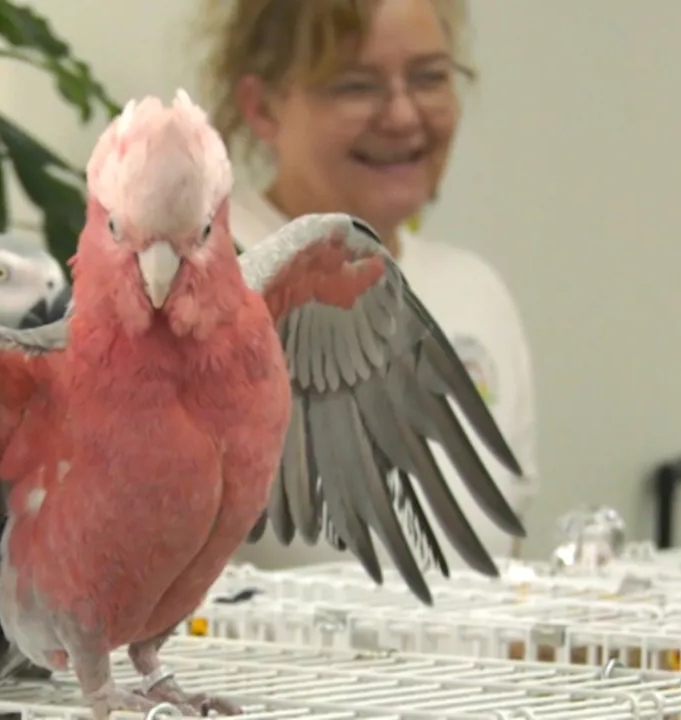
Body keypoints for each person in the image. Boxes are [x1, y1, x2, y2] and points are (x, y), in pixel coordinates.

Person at [196, 0, 541, 570]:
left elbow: (504, 552)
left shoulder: (478, 293)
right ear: (262, 108)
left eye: (429, 77)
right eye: (356, 86)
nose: (404, 116)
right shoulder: (203, 289)